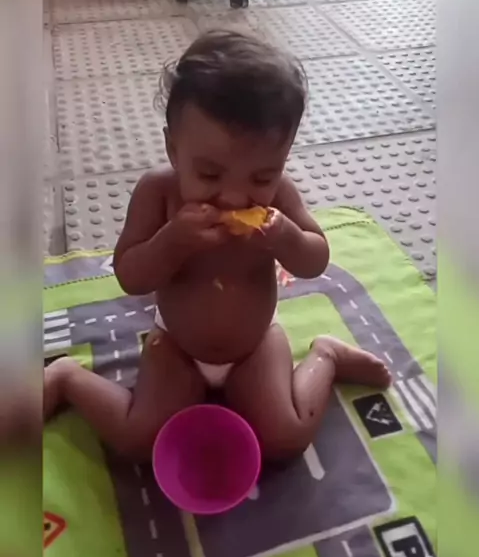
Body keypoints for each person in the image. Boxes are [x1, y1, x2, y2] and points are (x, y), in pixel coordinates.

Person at [44, 30, 390, 461]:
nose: (234, 197)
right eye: (209, 175)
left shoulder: (281, 197)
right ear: (174, 149)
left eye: (261, 177)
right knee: (139, 439)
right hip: (176, 346)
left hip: (255, 345)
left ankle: (327, 355)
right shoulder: (158, 193)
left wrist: (286, 236)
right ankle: (66, 378)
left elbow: (315, 258)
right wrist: (172, 241)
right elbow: (130, 275)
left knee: (287, 438)